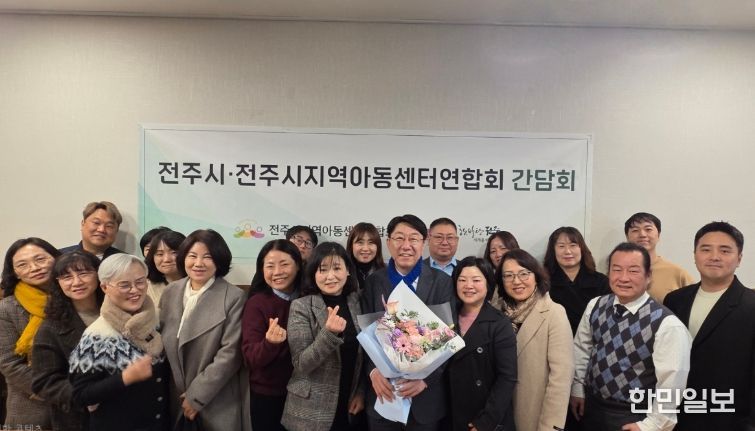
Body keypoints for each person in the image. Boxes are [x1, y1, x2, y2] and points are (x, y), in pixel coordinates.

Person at [570, 242, 691, 431]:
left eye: (633, 271)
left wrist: (650, 425)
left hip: (635, 415)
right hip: (592, 407)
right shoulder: (596, 305)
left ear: (648, 276)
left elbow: (671, 384)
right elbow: (581, 349)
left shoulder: (667, 324)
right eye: (616, 270)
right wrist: (577, 388)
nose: (623, 278)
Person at [361, 214, 453, 431]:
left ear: (424, 243)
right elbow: (364, 333)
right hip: (383, 394)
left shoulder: (441, 282)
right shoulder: (374, 282)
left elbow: (449, 337)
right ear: (388, 243)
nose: (406, 245)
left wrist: (425, 379)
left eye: (413, 239)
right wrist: (373, 371)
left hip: (424, 399)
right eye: (399, 238)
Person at [664, 222, 755, 430]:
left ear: (739, 258)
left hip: (729, 419)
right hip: (677, 416)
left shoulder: (751, 305)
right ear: (695, 255)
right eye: (706, 249)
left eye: (725, 250)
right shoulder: (675, 300)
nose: (714, 257)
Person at [160, 229, 250, 431]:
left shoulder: (233, 297)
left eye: (207, 257)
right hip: (175, 395)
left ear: (219, 260)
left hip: (215, 397)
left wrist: (196, 395)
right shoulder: (170, 292)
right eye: (192, 256)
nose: (198, 263)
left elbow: (230, 354)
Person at [68, 254, 169, 431]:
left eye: (140, 282)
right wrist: (125, 377)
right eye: (124, 285)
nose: (135, 290)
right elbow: (80, 395)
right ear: (105, 287)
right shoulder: (97, 336)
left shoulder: (157, 319)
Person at [282, 242, 364, 431]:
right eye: (323, 269)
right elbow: (301, 363)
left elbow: (366, 356)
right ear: (313, 273)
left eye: (337, 268)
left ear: (348, 271)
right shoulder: (301, 306)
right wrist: (329, 334)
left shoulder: (357, 301)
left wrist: (361, 392)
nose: (330, 276)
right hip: (310, 409)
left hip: (350, 402)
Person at [498, 249, 573, 431]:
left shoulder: (554, 313)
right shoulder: (496, 312)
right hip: (499, 414)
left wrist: (550, 426)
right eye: (508, 275)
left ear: (536, 276)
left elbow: (561, 377)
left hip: (535, 412)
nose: (516, 281)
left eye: (524, 274)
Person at [32, 251, 103, 431]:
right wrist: (86, 395)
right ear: (58, 283)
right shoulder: (50, 328)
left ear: (98, 274)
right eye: (66, 277)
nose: (76, 282)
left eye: (83, 273)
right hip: (79, 418)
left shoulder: (118, 312)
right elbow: (44, 382)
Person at [447, 257, 516, 431]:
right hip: (449, 412)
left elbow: (507, 377)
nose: (468, 286)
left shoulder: (499, 323)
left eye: (476, 280)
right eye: (462, 280)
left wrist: (486, 421)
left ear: (488, 284)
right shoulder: (446, 317)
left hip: (484, 415)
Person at [241, 239, 303, 431]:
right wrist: (269, 343)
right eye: (270, 266)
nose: (277, 272)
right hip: (268, 395)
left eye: (284, 264)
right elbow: (250, 357)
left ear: (298, 266)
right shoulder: (257, 303)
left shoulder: (308, 299)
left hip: (304, 394)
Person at [0, 237, 61, 429]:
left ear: (56, 258)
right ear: (15, 272)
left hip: (82, 404)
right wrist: (58, 390)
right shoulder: (6, 308)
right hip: (31, 406)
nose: (34, 268)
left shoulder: (76, 296)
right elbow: (8, 363)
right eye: (22, 265)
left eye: (40, 259)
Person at [544, 226, 610, 335]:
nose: (567, 251)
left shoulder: (601, 281)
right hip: (556, 339)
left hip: (593, 339)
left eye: (573, 245)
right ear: (553, 251)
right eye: (561, 246)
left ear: (581, 248)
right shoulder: (544, 282)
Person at [624, 212, 695, 303]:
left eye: (648, 229)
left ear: (658, 235)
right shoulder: (618, 272)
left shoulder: (678, 274)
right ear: (627, 237)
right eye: (635, 230)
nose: (642, 234)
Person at [60, 201, 124, 260]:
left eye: (109, 226)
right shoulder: (60, 257)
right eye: (96, 223)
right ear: (83, 224)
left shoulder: (125, 262)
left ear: (116, 230)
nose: (101, 230)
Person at [145, 230, 186, 313]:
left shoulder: (195, 285)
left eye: (174, 253)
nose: (167, 259)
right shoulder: (145, 286)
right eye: (160, 254)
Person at [484, 231, 520, 309]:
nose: (498, 254)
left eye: (503, 248)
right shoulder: (487, 282)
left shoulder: (525, 278)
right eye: (493, 251)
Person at [346, 222, 385, 290]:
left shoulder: (387, 274)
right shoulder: (342, 273)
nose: (365, 249)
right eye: (360, 242)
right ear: (351, 246)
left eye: (371, 243)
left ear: (378, 246)